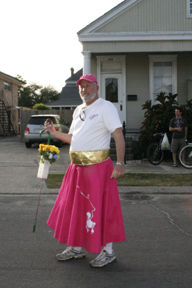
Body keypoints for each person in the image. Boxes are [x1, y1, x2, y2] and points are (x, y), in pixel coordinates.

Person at [44, 74, 126, 268]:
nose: (84, 90)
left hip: (98, 169)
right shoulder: (79, 109)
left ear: (97, 88)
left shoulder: (106, 107)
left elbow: (118, 135)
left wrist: (120, 163)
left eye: (88, 86)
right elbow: (74, 138)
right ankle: (76, 248)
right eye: (81, 87)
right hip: (76, 169)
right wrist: (54, 133)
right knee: (76, 209)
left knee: (101, 208)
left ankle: (108, 252)